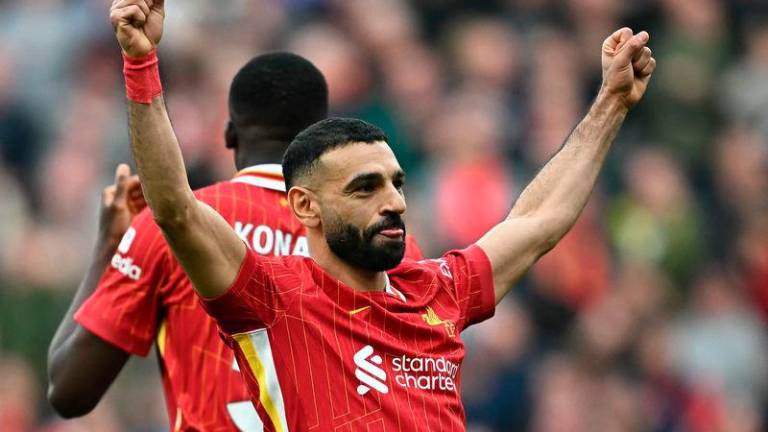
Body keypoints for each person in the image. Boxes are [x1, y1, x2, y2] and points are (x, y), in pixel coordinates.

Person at [108, 0, 655, 430]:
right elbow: (176, 210)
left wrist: (611, 102)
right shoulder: (272, 302)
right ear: (306, 206)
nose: (393, 201)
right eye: (365, 188)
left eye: (397, 183)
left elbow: (539, 221)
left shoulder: (439, 289)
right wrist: (140, 62)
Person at [47, 28, 424, 431]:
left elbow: (69, 390)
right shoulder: (381, 238)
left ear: (230, 134)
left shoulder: (172, 228)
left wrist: (108, 248)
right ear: (325, 137)